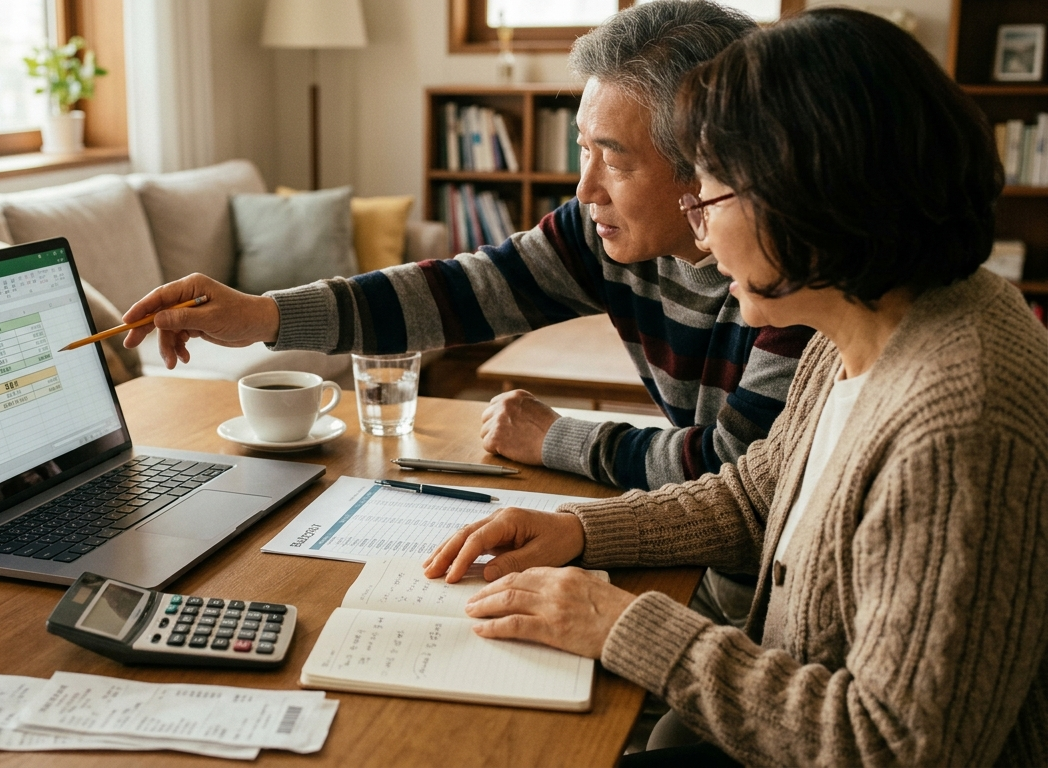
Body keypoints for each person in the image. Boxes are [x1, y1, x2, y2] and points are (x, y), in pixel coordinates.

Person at [422, 8, 1048, 765]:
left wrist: (623, 624)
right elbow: (756, 494)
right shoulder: (866, 316)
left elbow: (897, 745)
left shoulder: (955, 425)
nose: (699, 226)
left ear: (807, 196)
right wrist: (583, 533)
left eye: (711, 190)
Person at [123, 0, 813, 630]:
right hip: (685, 556)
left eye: (614, 158)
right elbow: (456, 290)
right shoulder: (599, 232)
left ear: (707, 160)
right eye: (582, 147)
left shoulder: (795, 281)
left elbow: (736, 474)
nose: (583, 188)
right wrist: (263, 316)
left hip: (753, 599)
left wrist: (556, 438)